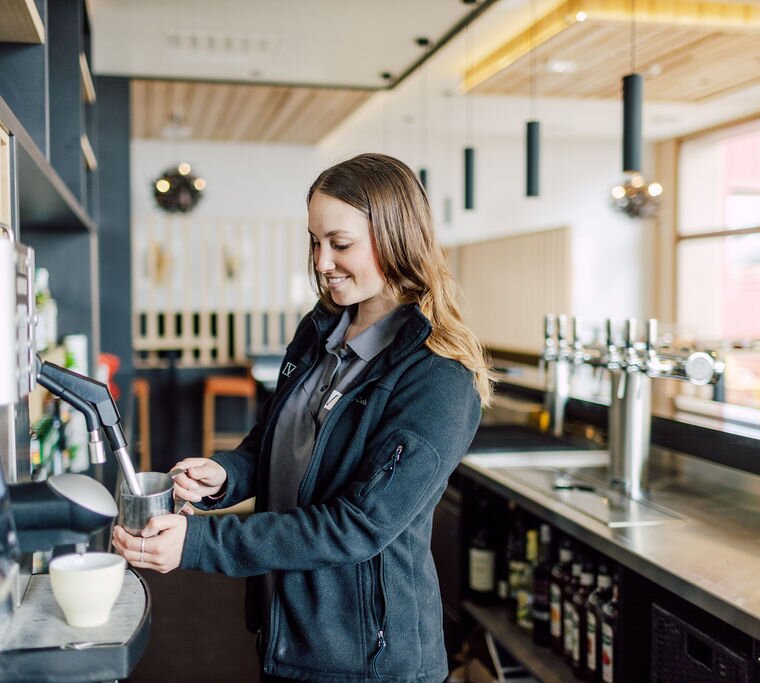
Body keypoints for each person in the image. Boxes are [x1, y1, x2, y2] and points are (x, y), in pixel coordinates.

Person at [112, 153, 493, 682]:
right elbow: (273, 440)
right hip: (287, 633)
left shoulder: (438, 379)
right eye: (315, 242)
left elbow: (359, 525)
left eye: (340, 243)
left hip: (367, 661)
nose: (321, 261)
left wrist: (200, 543)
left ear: (396, 237)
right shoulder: (319, 334)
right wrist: (227, 475)